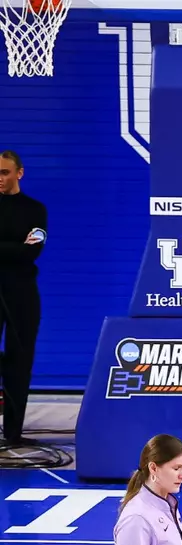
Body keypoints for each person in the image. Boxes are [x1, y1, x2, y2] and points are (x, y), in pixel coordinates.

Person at [0, 150, 46, 446]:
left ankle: (13, 432)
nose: (0, 178)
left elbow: (33, 250)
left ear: (19, 173)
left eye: (5, 172)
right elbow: (21, 249)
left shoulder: (35, 210)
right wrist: (15, 246)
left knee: (20, 361)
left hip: (22, 294)